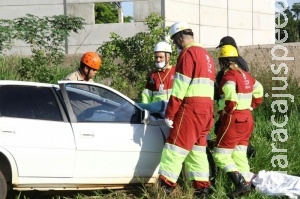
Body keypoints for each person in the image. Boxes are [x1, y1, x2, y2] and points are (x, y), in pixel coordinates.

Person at [158, 22, 215, 198]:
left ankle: (166, 187)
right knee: (197, 150)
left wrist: (170, 112)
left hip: (192, 108)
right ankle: (202, 188)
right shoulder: (207, 55)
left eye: (176, 41)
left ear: (180, 38)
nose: (176, 45)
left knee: (174, 147)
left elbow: (180, 86)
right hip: (207, 110)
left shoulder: (188, 53)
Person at [212, 45, 263, 198]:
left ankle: (239, 182)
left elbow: (229, 95)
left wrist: (228, 110)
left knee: (220, 154)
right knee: (240, 154)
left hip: (233, 119)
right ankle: (247, 183)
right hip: (247, 118)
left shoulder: (229, 76)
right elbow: (259, 90)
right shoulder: (246, 75)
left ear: (222, 61)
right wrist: (253, 105)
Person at [214, 36, 256, 158]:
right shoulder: (240, 61)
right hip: (242, 109)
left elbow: (232, 87)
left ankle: (247, 153)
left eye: (222, 47)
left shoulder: (232, 65)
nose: (221, 50)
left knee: (224, 136)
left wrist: (227, 109)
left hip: (232, 110)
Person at [64, 51, 102, 116]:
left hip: (96, 117)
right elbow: (64, 103)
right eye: (94, 70)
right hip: (81, 120)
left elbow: (98, 100)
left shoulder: (91, 82)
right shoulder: (71, 81)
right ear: (86, 69)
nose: (96, 72)